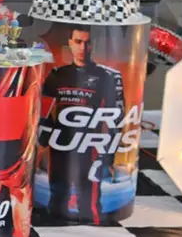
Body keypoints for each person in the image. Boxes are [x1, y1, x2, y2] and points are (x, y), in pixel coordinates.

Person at [39, 26, 124, 224]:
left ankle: (90, 236)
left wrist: (109, 153)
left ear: (93, 45)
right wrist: (41, 143)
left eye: (87, 43)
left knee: (89, 204)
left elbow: (117, 118)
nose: (83, 48)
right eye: (78, 42)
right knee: (57, 198)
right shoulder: (57, 75)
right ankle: (54, 234)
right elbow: (43, 112)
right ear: (70, 43)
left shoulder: (108, 77)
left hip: (91, 147)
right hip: (60, 146)